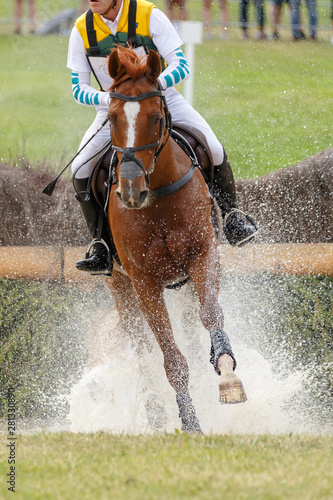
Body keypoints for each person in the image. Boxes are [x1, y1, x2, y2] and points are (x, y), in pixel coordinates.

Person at [67, 0, 258, 274]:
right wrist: (111, 99)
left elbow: (181, 66)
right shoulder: (81, 29)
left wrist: (151, 90)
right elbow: (77, 88)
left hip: (162, 100)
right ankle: (100, 246)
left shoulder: (149, 15)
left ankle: (232, 216)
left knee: (213, 147)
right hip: (115, 109)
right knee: (80, 167)